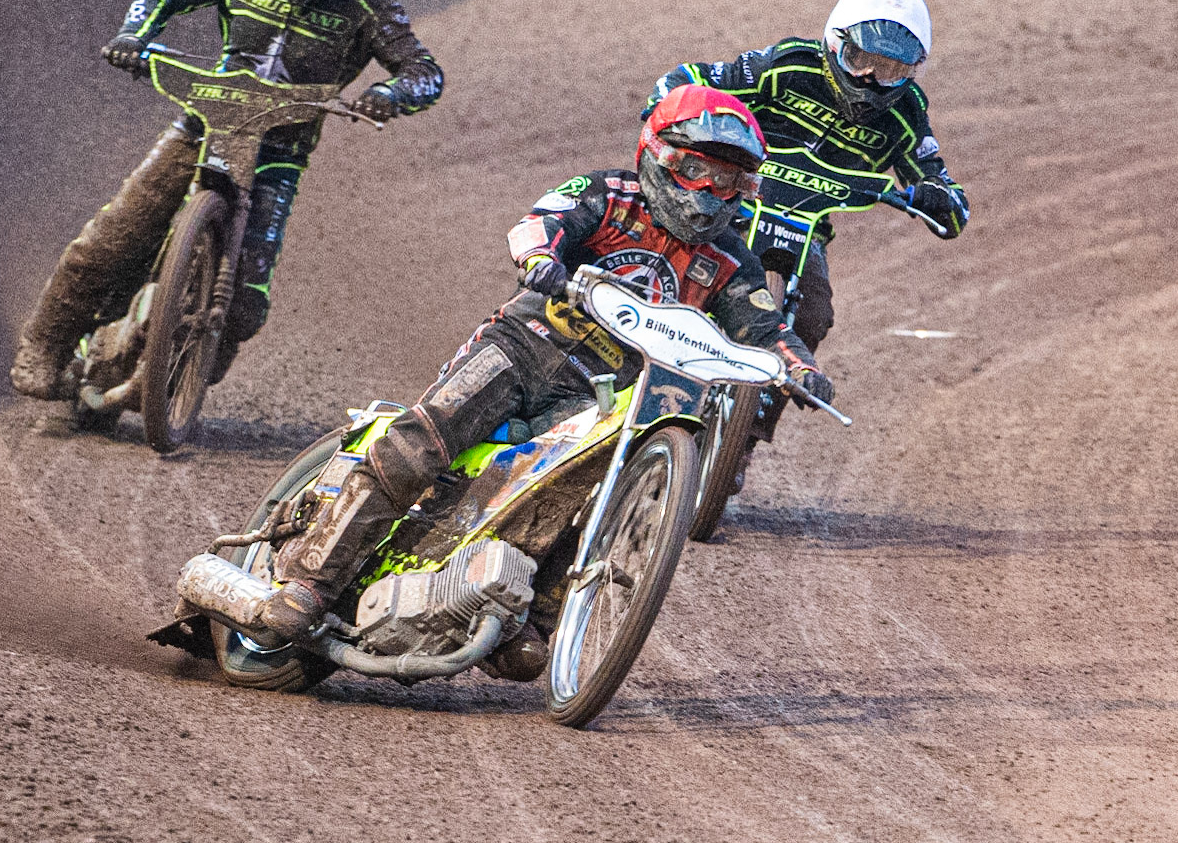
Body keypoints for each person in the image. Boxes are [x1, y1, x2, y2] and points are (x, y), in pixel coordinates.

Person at [232, 85, 836, 677]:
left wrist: (798, 367)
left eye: (729, 181)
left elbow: (763, 325)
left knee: (590, 493)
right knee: (422, 443)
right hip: (526, 346)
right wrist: (540, 259)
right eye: (696, 169)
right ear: (657, 155)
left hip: (601, 394)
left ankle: (531, 617)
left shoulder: (732, 260)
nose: (709, 192)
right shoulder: (606, 194)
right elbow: (540, 222)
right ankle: (312, 580)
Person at [10, 0, 444, 400]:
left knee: (246, 305)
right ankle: (44, 345)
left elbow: (424, 71)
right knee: (110, 237)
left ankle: (190, 366)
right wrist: (133, 37)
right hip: (203, 125)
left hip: (280, 151)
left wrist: (390, 94)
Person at [644, 0, 969, 445]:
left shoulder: (908, 113)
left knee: (813, 315)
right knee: (659, 257)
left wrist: (937, 194)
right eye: (861, 61)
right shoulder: (789, 64)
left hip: (806, 230)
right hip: (732, 199)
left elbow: (945, 190)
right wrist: (669, 105)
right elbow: (692, 79)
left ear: (912, 72)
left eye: (890, 70)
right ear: (835, 43)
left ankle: (745, 439)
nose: (871, 81)